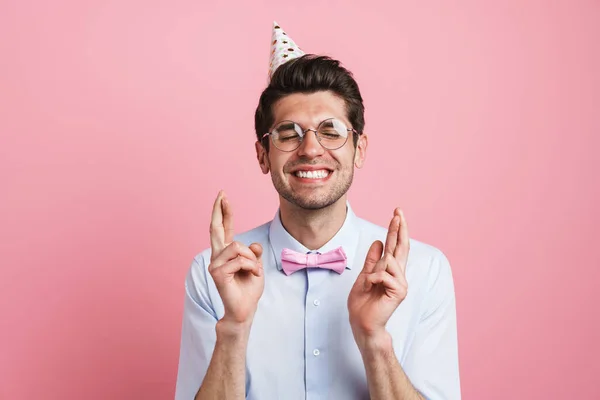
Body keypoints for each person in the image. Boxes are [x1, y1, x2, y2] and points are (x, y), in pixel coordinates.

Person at [174, 22, 461, 400]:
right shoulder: (213, 275)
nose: (310, 149)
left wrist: (374, 340)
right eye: (289, 133)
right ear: (263, 155)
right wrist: (234, 327)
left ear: (359, 149)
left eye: (331, 130)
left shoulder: (424, 271)